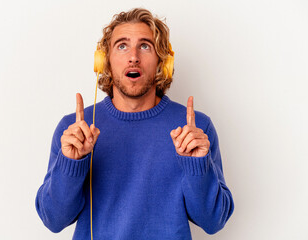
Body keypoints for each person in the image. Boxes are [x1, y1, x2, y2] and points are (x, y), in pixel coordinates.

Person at [35, 8, 234, 240]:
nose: (133, 57)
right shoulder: (75, 130)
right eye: (122, 45)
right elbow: (54, 220)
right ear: (104, 61)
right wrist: (71, 163)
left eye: (145, 46)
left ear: (163, 61)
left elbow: (213, 221)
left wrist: (197, 165)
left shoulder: (196, 129)